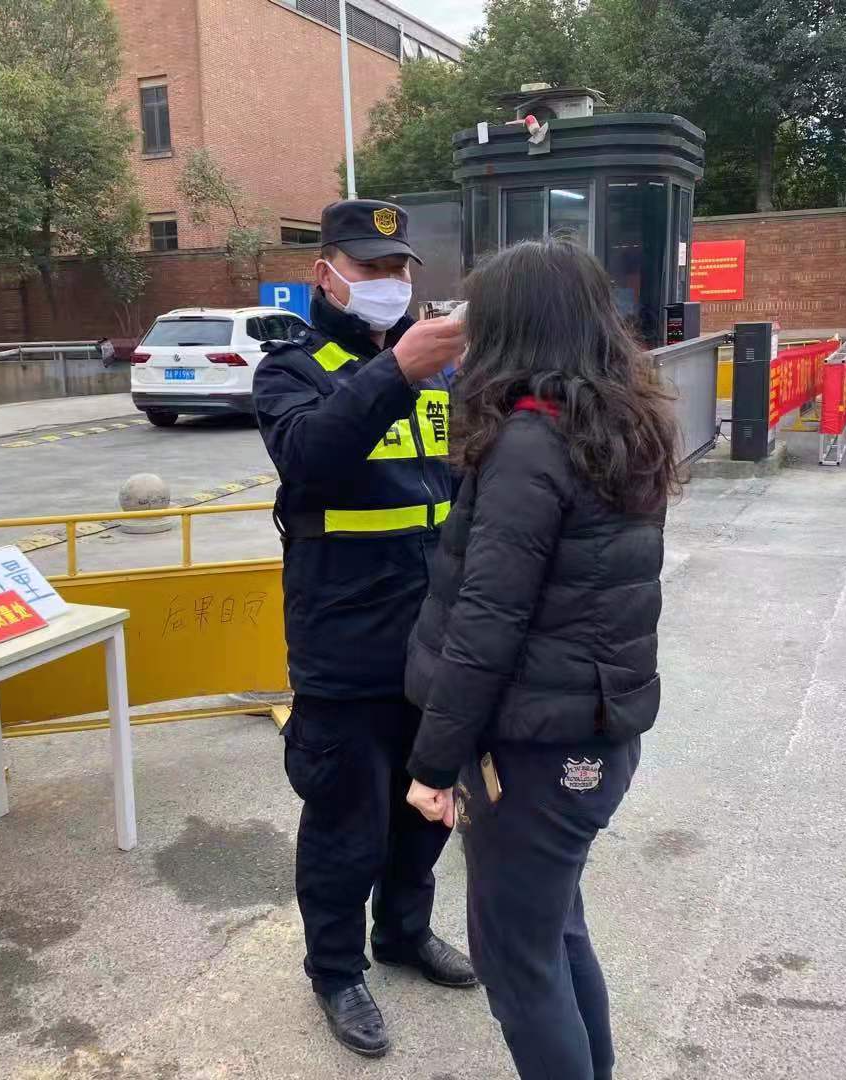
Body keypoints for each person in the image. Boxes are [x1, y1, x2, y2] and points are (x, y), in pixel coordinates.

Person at [402, 239, 679, 1080]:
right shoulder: (619, 422)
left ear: (511, 329)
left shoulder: (528, 443)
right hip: (592, 735)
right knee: (555, 933)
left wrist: (432, 766)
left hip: (535, 753)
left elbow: (486, 625)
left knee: (517, 964)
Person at [252, 199, 475, 1058]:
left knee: (427, 809)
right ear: (327, 274)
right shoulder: (292, 371)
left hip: (433, 640)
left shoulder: (441, 374)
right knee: (345, 823)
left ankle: (405, 932)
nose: (390, 282)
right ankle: (337, 969)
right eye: (371, 267)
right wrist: (395, 372)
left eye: (399, 268)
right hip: (344, 646)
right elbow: (309, 459)